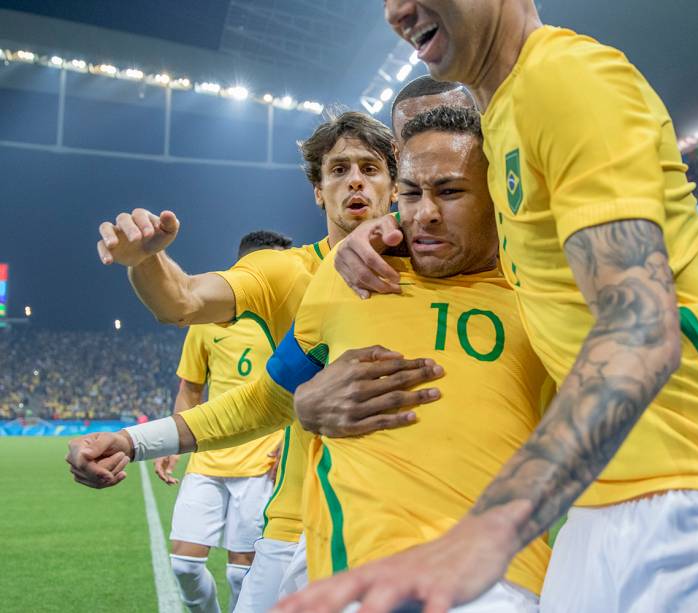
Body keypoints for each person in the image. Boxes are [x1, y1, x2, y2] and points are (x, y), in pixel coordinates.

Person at [303, 1, 698, 611]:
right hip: (597, 507)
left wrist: (484, 532)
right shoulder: (503, 118)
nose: (397, 10)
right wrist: (375, 231)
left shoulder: (565, 78)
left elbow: (639, 329)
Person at [67, 106, 551, 611]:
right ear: (319, 190)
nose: (356, 183)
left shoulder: (535, 291)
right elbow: (195, 316)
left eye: (370, 168)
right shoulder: (314, 279)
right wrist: (146, 262)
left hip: (493, 571)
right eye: (339, 170)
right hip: (308, 534)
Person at [158, 231, 291, 613]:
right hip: (208, 458)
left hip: (261, 464)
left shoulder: (291, 321)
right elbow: (190, 387)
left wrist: (290, 443)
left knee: (240, 575)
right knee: (184, 564)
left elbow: (305, 387)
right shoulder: (208, 320)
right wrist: (171, 442)